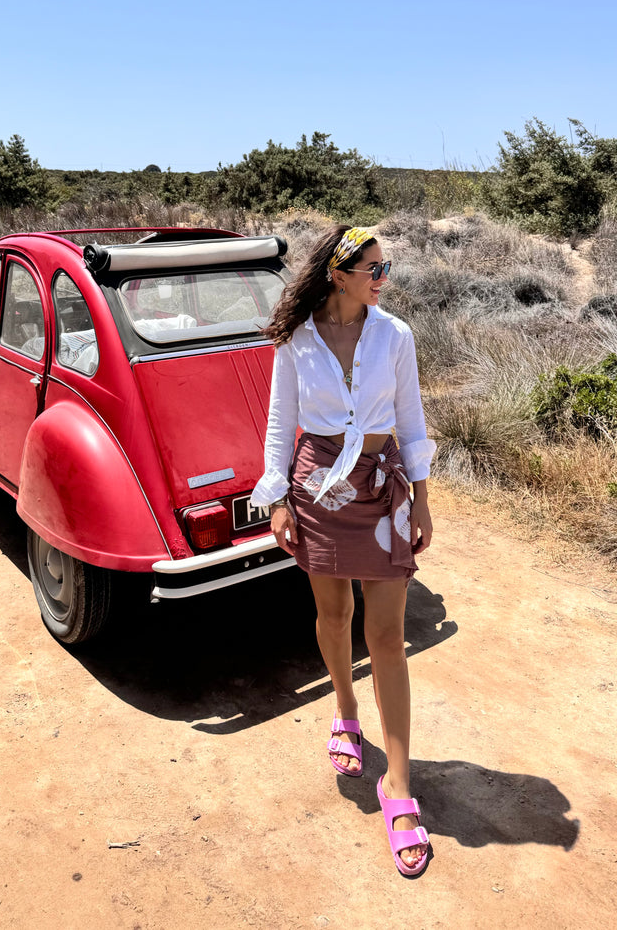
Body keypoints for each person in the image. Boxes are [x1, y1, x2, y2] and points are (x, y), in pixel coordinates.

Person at [250, 224, 436, 877]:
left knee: (387, 635)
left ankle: (400, 785)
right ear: (339, 273)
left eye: (387, 268)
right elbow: (280, 425)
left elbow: (411, 419)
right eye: (374, 270)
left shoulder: (397, 336)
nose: (384, 279)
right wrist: (276, 499)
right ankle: (346, 710)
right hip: (319, 488)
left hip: (383, 487)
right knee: (334, 618)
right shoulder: (297, 340)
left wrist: (422, 496)